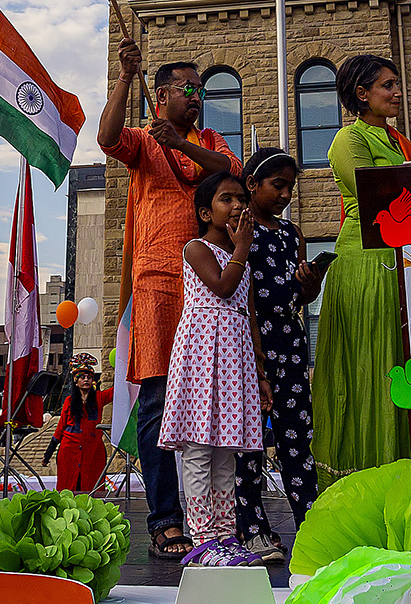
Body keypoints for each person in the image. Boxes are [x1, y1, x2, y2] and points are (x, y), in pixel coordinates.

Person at [97, 41, 238, 562]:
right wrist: (123, 78)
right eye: (188, 88)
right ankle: (164, 519)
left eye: (201, 90)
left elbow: (227, 171)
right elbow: (107, 137)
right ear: (162, 94)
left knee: (219, 394)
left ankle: (219, 517)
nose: (197, 96)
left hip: (211, 282)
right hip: (158, 279)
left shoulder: (208, 139)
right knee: (156, 399)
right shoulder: (142, 141)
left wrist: (180, 143)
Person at [312, 54, 411, 485]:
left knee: (401, 363)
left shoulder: (398, 141)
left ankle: (408, 473)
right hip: (366, 258)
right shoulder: (347, 140)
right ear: (362, 95)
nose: (397, 93)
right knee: (371, 368)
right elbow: (379, 197)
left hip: (403, 260)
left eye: (397, 84)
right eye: (387, 86)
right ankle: (366, 480)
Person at [159, 173, 270, 563]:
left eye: (242, 198)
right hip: (203, 353)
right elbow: (222, 287)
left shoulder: (244, 261)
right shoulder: (196, 248)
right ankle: (203, 539)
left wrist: (259, 373)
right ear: (206, 212)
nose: (238, 205)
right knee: (199, 448)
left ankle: (225, 533)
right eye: (227, 199)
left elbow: (250, 315)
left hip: (235, 355)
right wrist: (241, 248)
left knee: (226, 452)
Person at [232, 147, 325, 558]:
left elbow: (302, 296)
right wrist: (254, 353)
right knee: (251, 438)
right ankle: (252, 527)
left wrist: (311, 284)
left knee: (296, 435)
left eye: (291, 186)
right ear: (252, 184)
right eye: (278, 185)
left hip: (290, 338)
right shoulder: (239, 227)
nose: (286, 194)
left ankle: (312, 522)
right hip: (252, 340)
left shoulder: (291, 233)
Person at [43, 354, 114, 492]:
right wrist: (49, 452)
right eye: (82, 377)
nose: (86, 379)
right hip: (69, 451)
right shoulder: (69, 401)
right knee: (69, 487)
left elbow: (115, 392)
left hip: (93, 452)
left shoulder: (99, 398)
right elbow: (61, 427)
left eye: (89, 377)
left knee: (92, 486)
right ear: (76, 382)